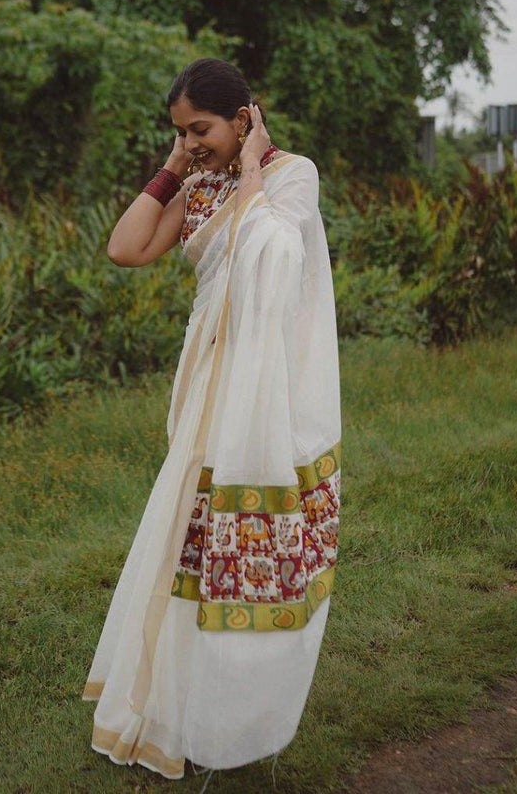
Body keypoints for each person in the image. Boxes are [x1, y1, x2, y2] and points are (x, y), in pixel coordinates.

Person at [81, 57, 342, 784]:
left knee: (232, 541)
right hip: (206, 378)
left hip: (261, 385)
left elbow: (273, 258)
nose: (193, 142)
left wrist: (253, 166)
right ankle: (178, 705)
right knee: (188, 540)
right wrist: (173, 165)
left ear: (244, 117)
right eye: (180, 132)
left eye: (201, 129)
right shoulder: (197, 183)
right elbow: (126, 248)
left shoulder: (293, 174)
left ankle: (231, 712)